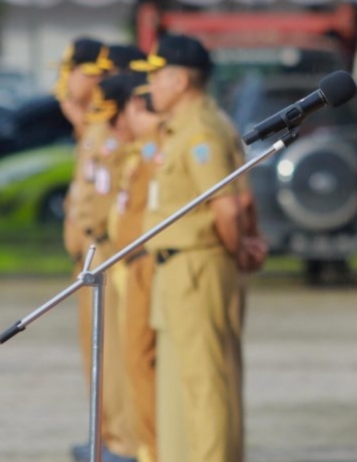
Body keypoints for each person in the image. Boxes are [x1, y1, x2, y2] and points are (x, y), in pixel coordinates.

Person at [133, 34, 266, 462]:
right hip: (180, 267)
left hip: (199, 265)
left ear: (179, 80)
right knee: (184, 383)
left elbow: (229, 206)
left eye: (156, 76)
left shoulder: (201, 130)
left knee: (207, 383)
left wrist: (237, 250)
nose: (151, 86)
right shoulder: (184, 126)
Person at [58, 41, 143, 462]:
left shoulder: (120, 128)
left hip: (110, 250)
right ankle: (106, 435)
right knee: (97, 354)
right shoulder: (98, 124)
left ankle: (123, 441)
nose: (102, 83)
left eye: (107, 75)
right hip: (89, 251)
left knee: (116, 356)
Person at [107, 74, 162, 462]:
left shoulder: (160, 148)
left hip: (148, 265)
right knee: (131, 361)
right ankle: (139, 444)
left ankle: (151, 448)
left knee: (144, 362)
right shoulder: (141, 149)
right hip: (129, 264)